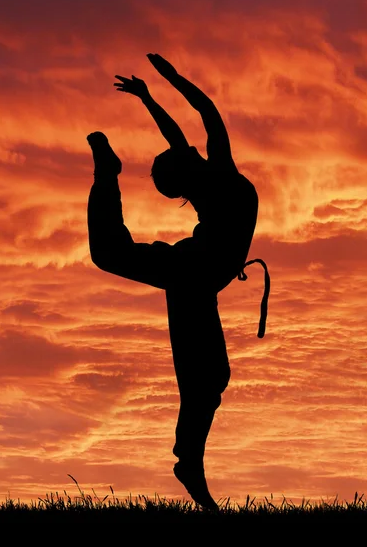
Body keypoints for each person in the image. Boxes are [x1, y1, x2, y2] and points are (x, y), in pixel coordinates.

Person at [87, 53, 269, 510]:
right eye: (180, 154)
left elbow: (184, 128)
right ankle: (107, 174)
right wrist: (168, 81)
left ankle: (190, 460)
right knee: (110, 254)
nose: (183, 147)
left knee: (210, 378)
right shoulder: (219, 172)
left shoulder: (212, 177)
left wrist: (153, 92)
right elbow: (205, 113)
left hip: (196, 279)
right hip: (193, 272)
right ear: (185, 170)